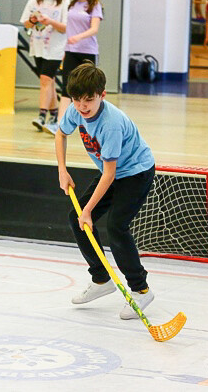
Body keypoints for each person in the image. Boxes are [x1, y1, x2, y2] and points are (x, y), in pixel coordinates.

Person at [54, 61, 155, 319]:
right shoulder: (76, 111)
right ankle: (102, 280)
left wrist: (88, 210)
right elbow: (60, 134)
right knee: (76, 221)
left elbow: (110, 174)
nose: (82, 106)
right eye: (77, 100)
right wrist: (62, 170)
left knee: (116, 226)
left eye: (89, 100)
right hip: (113, 174)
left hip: (136, 173)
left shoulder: (111, 123)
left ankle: (141, 291)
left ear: (102, 95)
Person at [44, 0, 102, 136]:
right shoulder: (72, 5)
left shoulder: (93, 5)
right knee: (66, 87)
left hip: (87, 51)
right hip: (70, 51)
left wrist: (79, 37)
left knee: (89, 88)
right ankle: (60, 124)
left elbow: (94, 29)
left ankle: (95, 123)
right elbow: (69, 28)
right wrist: (65, 49)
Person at [20, 0, 69, 132]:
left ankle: (42, 116)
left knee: (45, 79)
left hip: (55, 48)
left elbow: (65, 28)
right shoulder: (34, 0)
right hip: (38, 46)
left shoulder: (63, 2)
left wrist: (51, 22)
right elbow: (26, 24)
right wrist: (33, 21)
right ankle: (54, 114)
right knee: (50, 82)